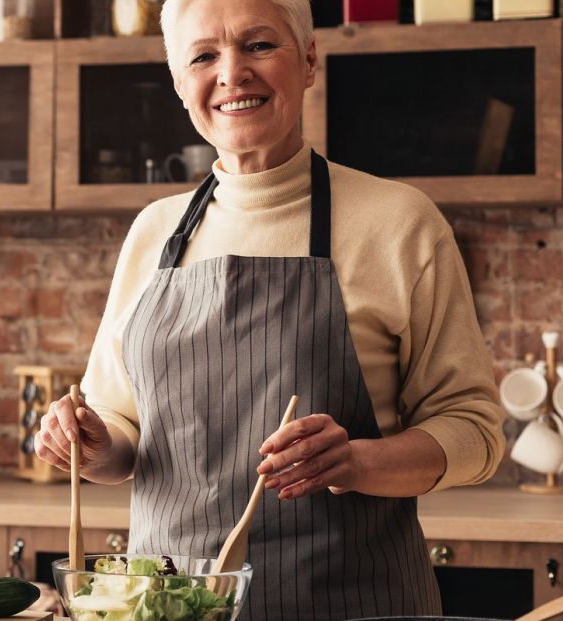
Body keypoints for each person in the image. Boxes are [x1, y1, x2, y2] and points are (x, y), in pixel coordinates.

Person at [32, 0, 506, 618]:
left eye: (259, 46)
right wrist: (89, 446)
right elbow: (123, 432)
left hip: (351, 604)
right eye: (204, 56)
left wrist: (357, 461)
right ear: (180, 85)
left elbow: (474, 432)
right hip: (167, 607)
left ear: (308, 60)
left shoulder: (400, 223)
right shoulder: (154, 231)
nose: (232, 73)